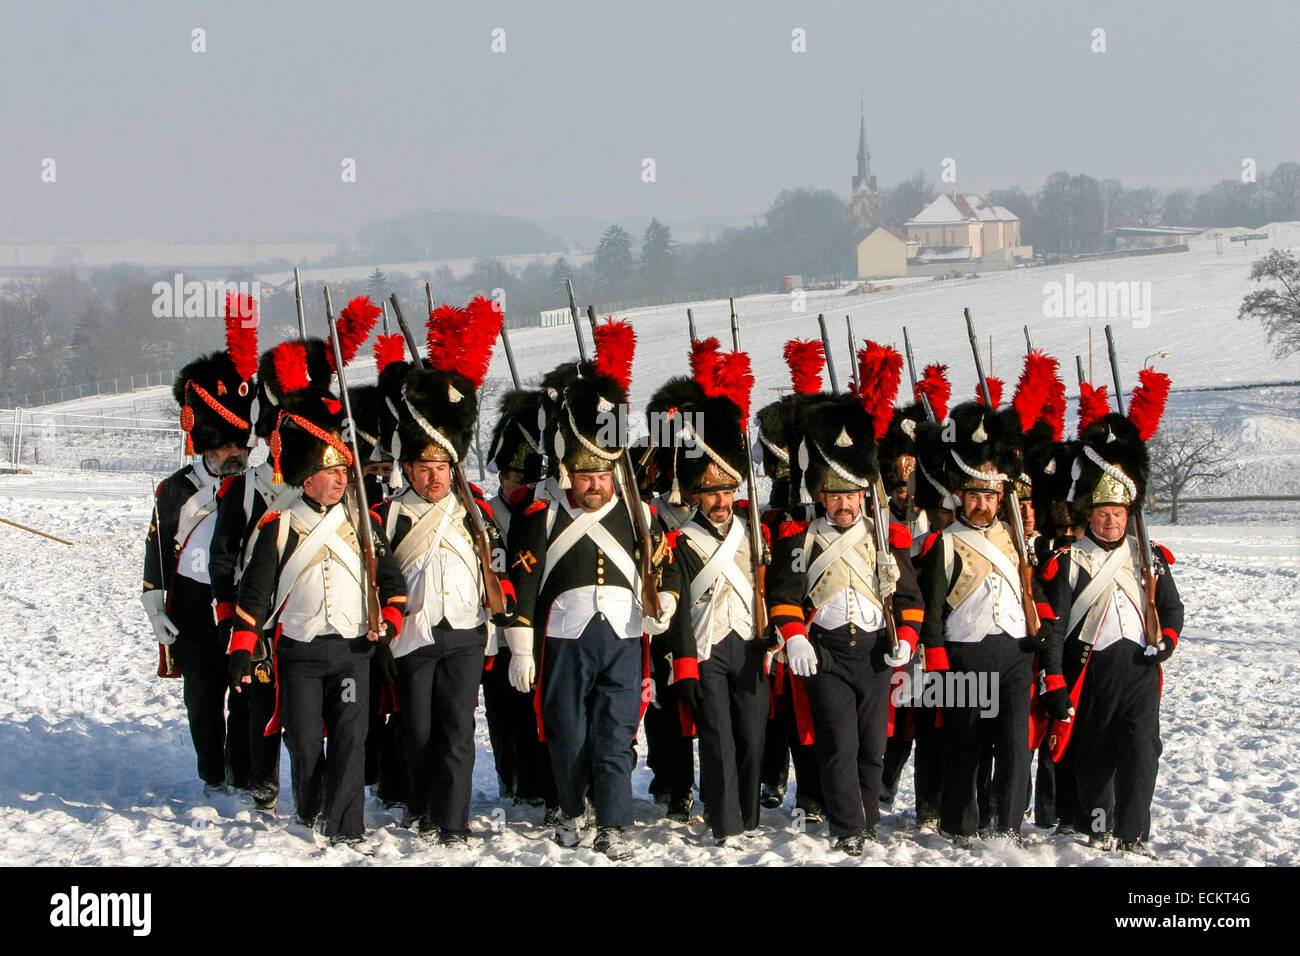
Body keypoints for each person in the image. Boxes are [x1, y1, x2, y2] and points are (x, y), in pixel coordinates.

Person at [503, 326, 668, 861]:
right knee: (568, 736)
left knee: (614, 738)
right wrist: (522, 645)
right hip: (562, 641)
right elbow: (522, 582)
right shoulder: (540, 515)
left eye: (601, 474)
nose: (594, 485)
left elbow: (658, 568)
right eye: (584, 475)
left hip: (623, 637)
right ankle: (572, 811)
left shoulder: (640, 512)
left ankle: (615, 824)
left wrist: (659, 606)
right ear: (567, 470)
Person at [229, 377, 407, 849]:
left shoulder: (365, 525)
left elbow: (391, 583)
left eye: (344, 474)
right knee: (305, 742)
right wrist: (243, 652)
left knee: (351, 740)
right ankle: (310, 807)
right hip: (299, 652)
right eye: (332, 474)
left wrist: (390, 622)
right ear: (307, 479)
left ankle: (347, 823)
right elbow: (254, 597)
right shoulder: (279, 526)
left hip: (353, 651)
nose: (342, 480)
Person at [374, 307, 513, 846]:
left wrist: (503, 620)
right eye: (424, 469)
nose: (434, 478)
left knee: (458, 731)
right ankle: (421, 805)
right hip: (411, 633)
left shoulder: (474, 509)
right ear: (408, 469)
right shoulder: (388, 513)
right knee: (419, 730)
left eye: (442, 468)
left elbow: (496, 562)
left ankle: (451, 820)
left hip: (464, 629)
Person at [766, 392, 925, 855]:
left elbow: (910, 597)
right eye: (834, 495)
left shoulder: (887, 537)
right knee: (837, 743)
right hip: (826, 654)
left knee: (873, 747)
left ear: (863, 494)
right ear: (820, 495)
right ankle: (847, 827)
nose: (843, 504)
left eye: (851, 494)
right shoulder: (801, 537)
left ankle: (868, 820)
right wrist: (795, 638)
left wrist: (909, 638)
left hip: (876, 653)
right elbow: (783, 596)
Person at [915, 402, 1070, 843]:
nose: (983, 504)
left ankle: (1007, 824)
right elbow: (933, 611)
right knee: (966, 744)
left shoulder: (1016, 539)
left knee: (1015, 747)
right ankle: (960, 824)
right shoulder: (943, 544)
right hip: (966, 654)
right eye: (975, 496)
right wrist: (939, 660)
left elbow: (1033, 591)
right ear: (961, 497)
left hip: (1016, 654)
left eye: (990, 497)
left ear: (1001, 499)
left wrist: (1043, 619)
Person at [1043, 376, 1183, 857]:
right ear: (1089, 512)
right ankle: (1098, 828)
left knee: (1143, 755)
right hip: (1094, 668)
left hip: (1141, 669)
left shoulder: (1149, 558)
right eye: (1103, 513)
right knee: (1096, 753)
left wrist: (1167, 640)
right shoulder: (1068, 561)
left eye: (1119, 513)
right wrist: (1056, 680)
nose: (1111, 521)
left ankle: (1134, 834)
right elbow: (1056, 626)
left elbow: (1171, 609)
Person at [142, 316, 256, 794]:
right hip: (192, 600)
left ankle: (246, 770)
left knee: (247, 694)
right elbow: (157, 547)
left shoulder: (258, 487)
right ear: (206, 443)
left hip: (246, 598)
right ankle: (213, 773)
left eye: (240, 444)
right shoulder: (176, 489)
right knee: (202, 698)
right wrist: (154, 602)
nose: (235, 453)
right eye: (226, 445)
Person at [661, 389, 771, 846]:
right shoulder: (680, 542)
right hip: (706, 650)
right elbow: (679, 612)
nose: (722, 500)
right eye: (712, 492)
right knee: (717, 739)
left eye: (727, 490)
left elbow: (771, 590)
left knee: (751, 737)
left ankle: (747, 816)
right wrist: (684, 664)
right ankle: (724, 821)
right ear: (694, 495)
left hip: (748, 645)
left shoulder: (757, 532)